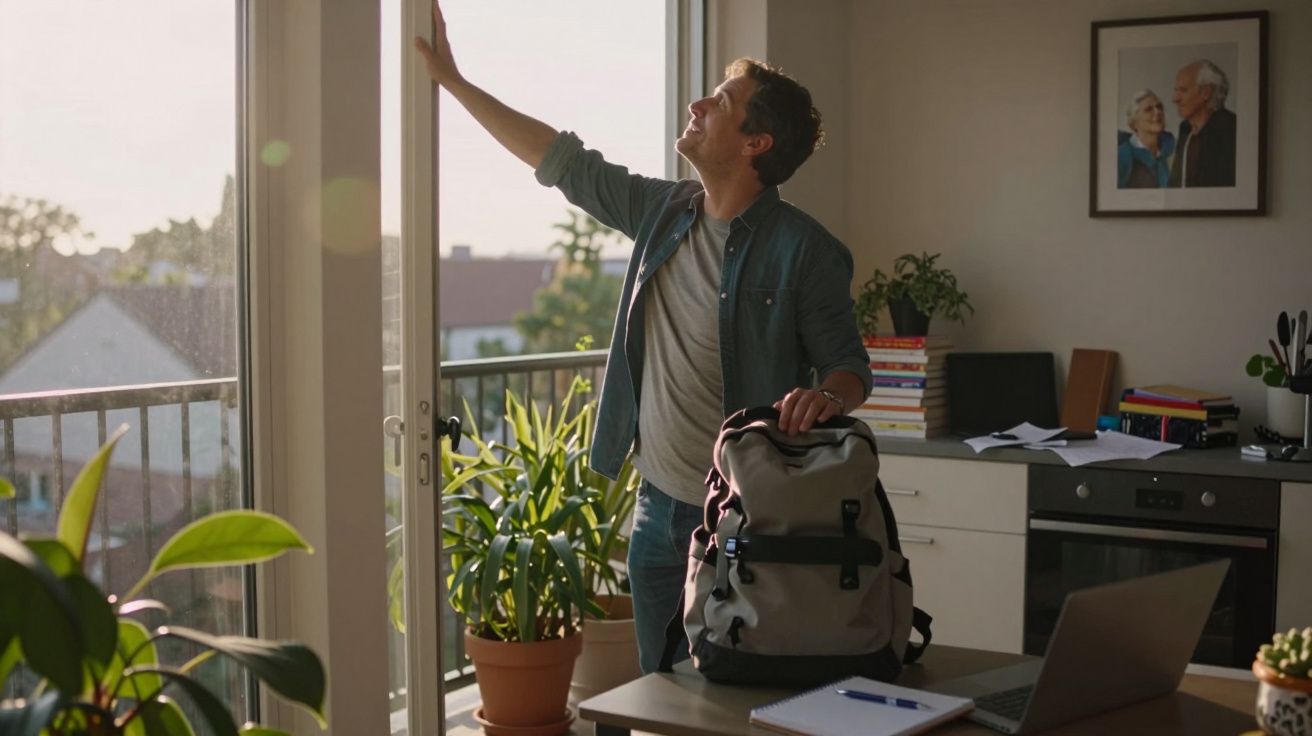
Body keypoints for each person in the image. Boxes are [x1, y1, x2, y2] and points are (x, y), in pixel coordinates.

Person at [414, 1, 872, 673]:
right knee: (663, 692)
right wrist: (454, 84)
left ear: (756, 143)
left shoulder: (804, 250)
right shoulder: (662, 212)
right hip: (656, 509)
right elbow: (561, 160)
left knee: (740, 694)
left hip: (746, 517)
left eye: (719, 101)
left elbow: (848, 366)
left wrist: (827, 397)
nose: (698, 104)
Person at [1168, 59, 1236, 188]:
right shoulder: (1185, 128)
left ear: (1206, 92)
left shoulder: (1231, 129)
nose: (1175, 99)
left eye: (1182, 90)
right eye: (1175, 90)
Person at [1116, 90, 1175, 188]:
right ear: (1134, 122)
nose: (1158, 112)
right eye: (1149, 109)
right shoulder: (1122, 156)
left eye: (1159, 107)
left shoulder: (1174, 148)